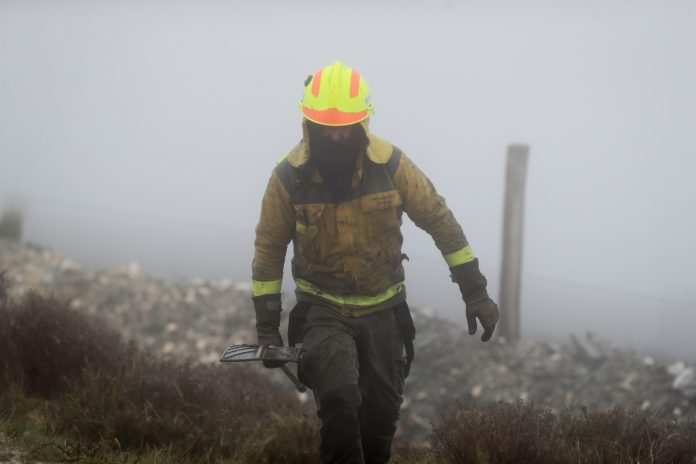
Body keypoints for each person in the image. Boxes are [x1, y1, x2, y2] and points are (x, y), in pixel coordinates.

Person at [251, 61, 499, 464]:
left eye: (345, 127)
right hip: (323, 313)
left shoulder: (392, 166)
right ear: (308, 123)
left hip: (385, 312)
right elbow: (268, 250)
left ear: (363, 123)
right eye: (326, 127)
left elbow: (439, 220)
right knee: (339, 399)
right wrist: (267, 330)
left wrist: (476, 292)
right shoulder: (287, 179)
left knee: (379, 422)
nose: (335, 135)